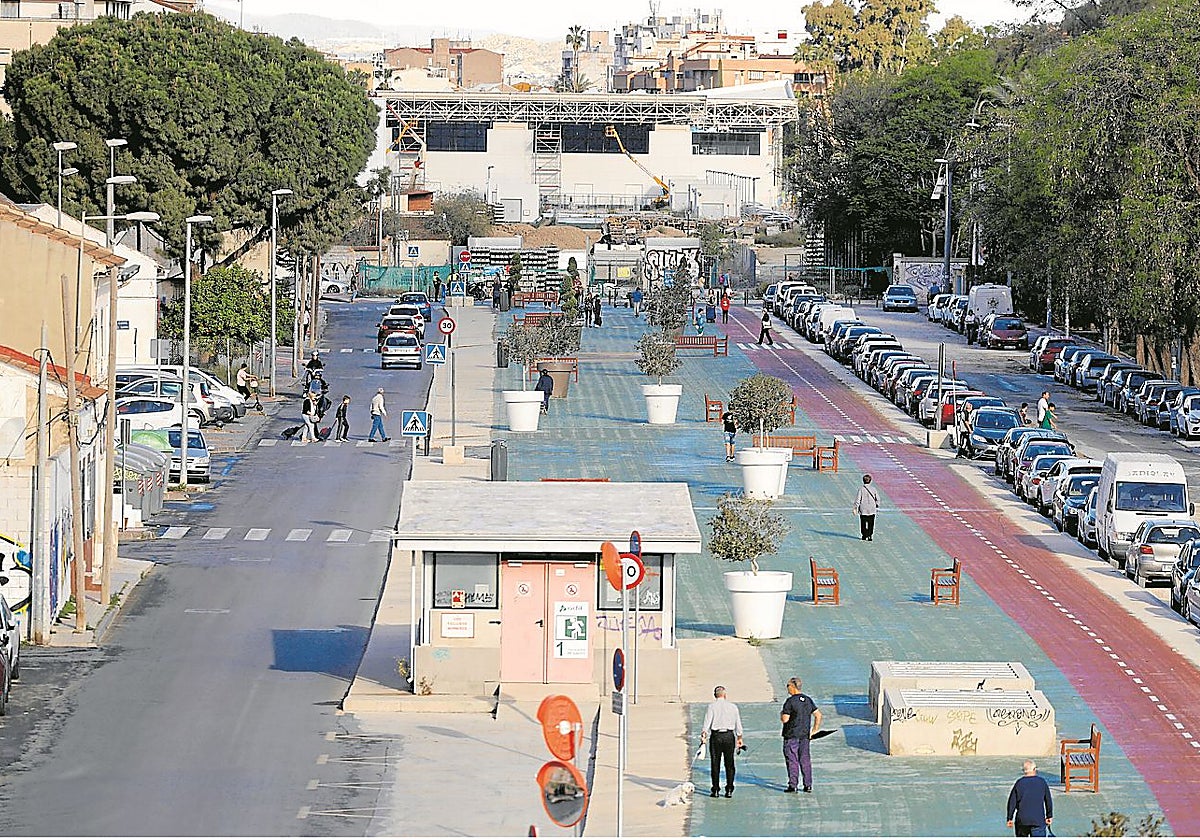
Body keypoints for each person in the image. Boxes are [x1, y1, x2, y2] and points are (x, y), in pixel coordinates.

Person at [699, 685, 744, 799]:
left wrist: (704, 735)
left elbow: (707, 723)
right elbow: (738, 725)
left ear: (715, 695)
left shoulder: (711, 707)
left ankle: (715, 789)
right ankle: (729, 789)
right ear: (725, 695)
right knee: (729, 764)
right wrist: (739, 738)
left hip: (716, 736)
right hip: (729, 736)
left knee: (715, 763)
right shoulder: (733, 707)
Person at [780, 677, 822, 793]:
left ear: (793, 687)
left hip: (791, 735)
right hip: (804, 736)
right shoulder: (808, 700)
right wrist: (814, 730)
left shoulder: (790, 702)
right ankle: (808, 785)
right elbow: (818, 715)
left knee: (792, 760)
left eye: (788, 686)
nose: (787, 688)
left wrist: (781, 713)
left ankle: (793, 785)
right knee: (805, 760)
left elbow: (785, 719)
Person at [1006, 759, 1053, 837]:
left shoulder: (1019, 783)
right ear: (1034, 769)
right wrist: (1049, 815)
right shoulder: (1042, 782)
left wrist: (1009, 818)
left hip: (1022, 820)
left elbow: (1012, 802)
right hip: (1038, 819)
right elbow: (1048, 800)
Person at [853, 474, 880, 541]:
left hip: (863, 509)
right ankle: (870, 535)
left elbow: (858, 499)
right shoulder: (873, 489)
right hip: (872, 509)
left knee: (863, 522)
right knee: (871, 523)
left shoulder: (861, 489)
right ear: (870, 481)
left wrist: (855, 507)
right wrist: (877, 504)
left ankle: (864, 535)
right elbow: (878, 498)